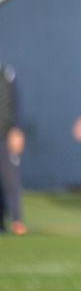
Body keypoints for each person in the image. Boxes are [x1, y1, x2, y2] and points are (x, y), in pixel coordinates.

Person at [0, 64, 24, 235]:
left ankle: (16, 221)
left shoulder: (5, 73)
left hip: (4, 135)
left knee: (9, 179)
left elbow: (12, 103)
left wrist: (15, 129)